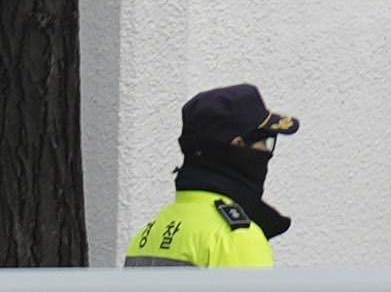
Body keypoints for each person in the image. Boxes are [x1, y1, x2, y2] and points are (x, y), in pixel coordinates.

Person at [124, 85, 299, 269]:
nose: (266, 152)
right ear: (238, 146)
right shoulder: (236, 238)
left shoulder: (147, 234)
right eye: (264, 142)